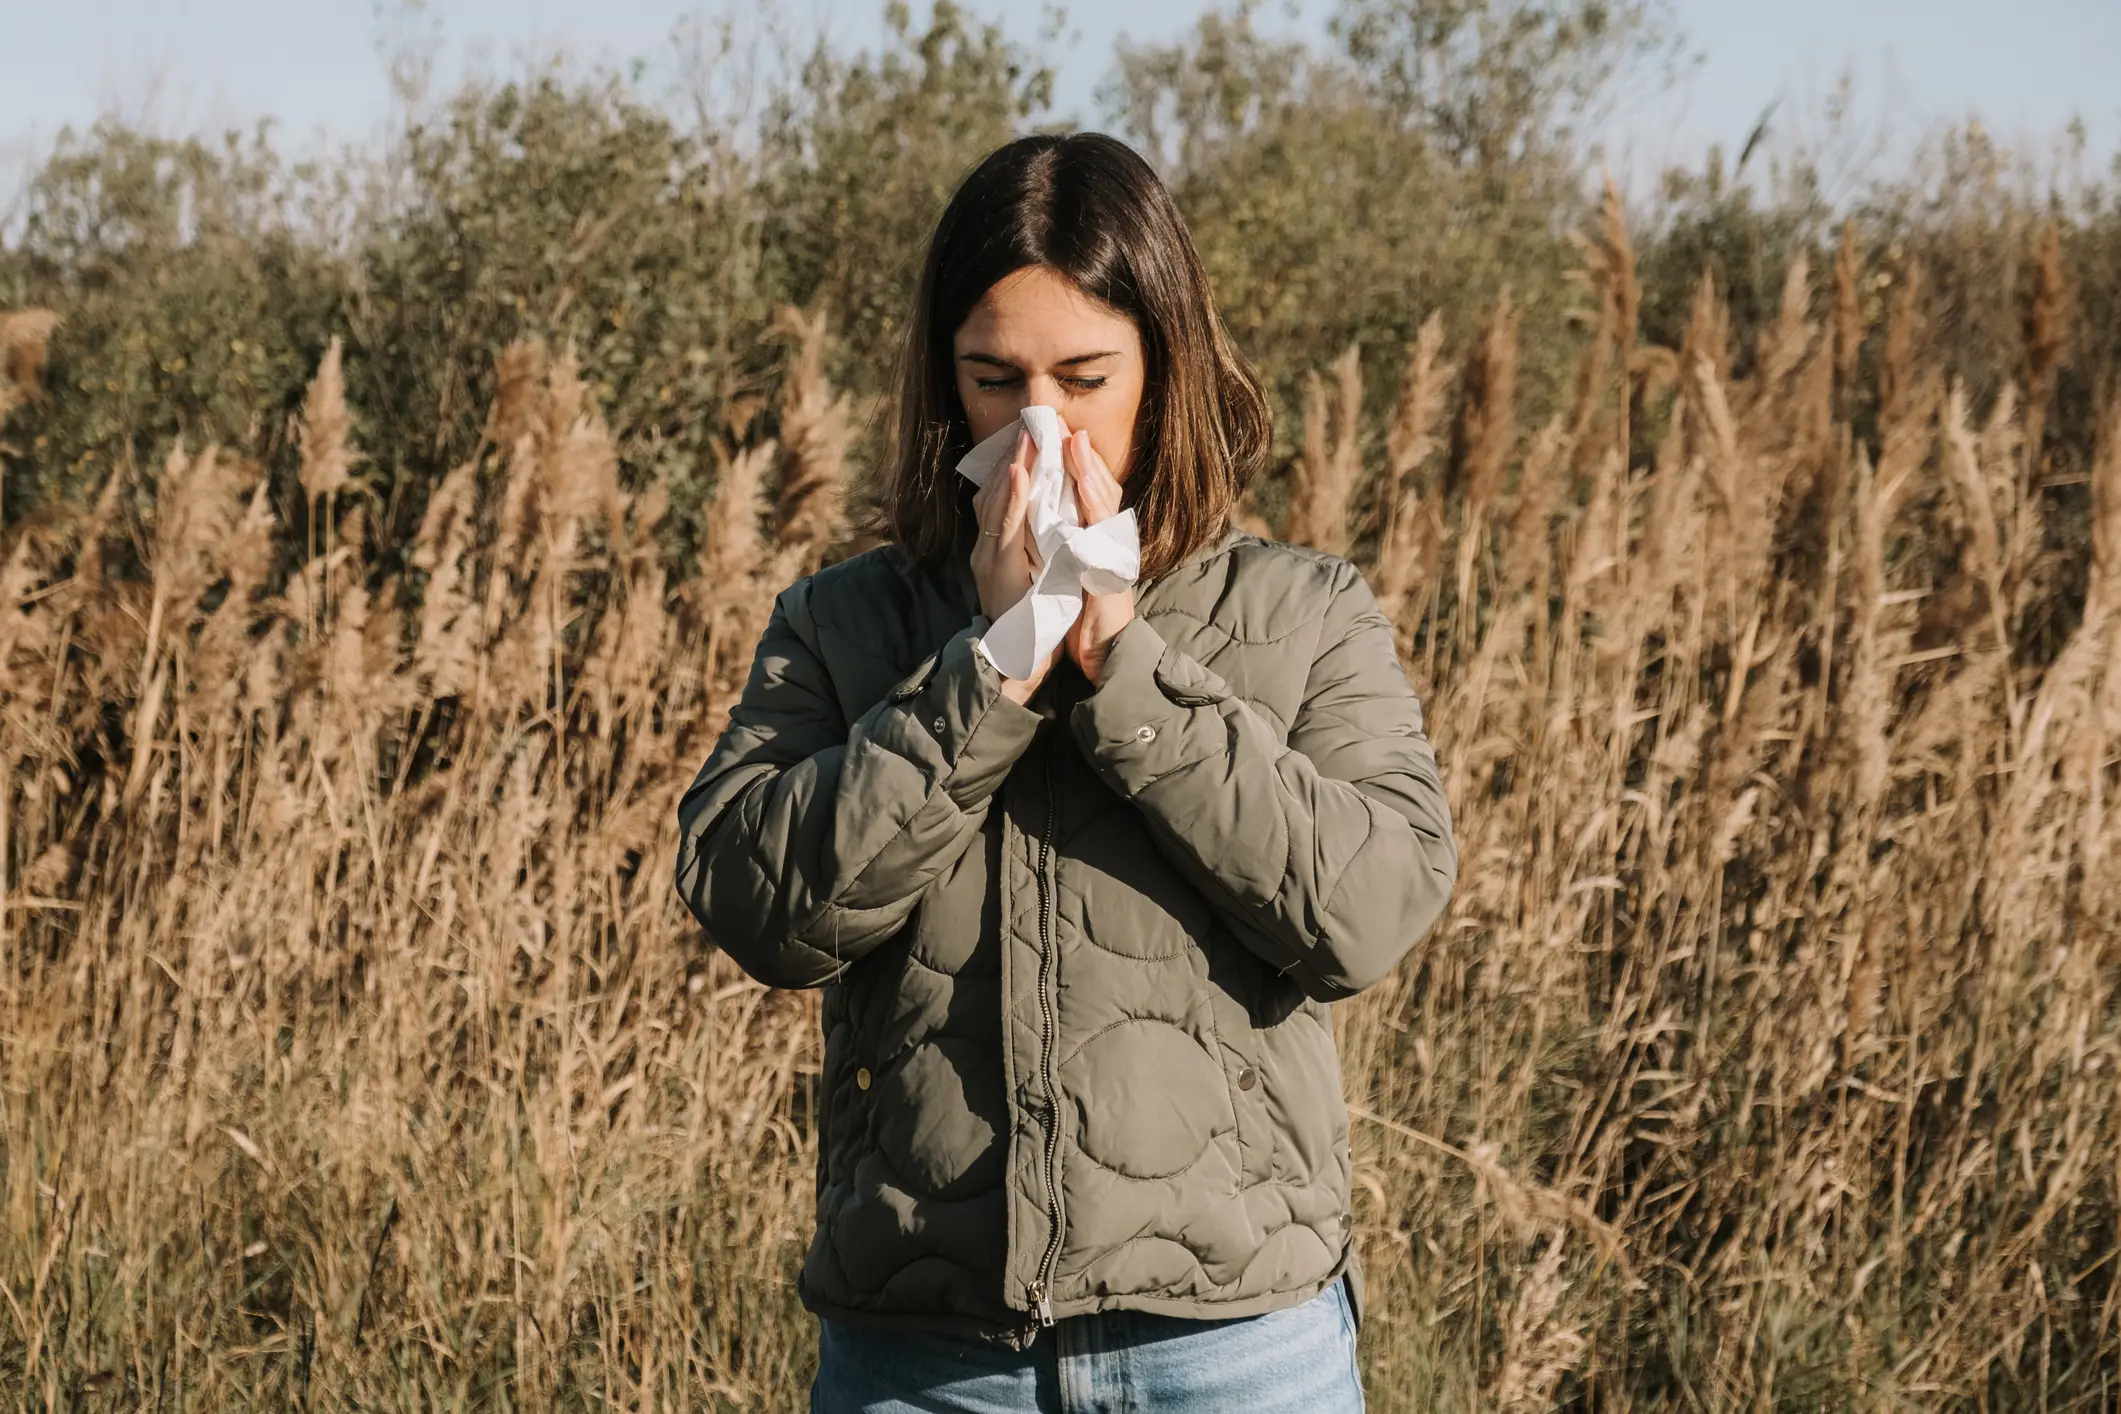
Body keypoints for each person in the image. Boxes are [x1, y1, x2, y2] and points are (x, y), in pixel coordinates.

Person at [675, 131, 1457, 1414]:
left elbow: (1367, 913)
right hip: (928, 1357)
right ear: (944, 386)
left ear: (1168, 371)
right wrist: (988, 671)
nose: (1042, 426)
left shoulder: (1307, 612)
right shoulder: (845, 621)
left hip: (1233, 1345)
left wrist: (1124, 666)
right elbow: (759, 903)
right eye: (995, 381)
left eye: (1087, 378)